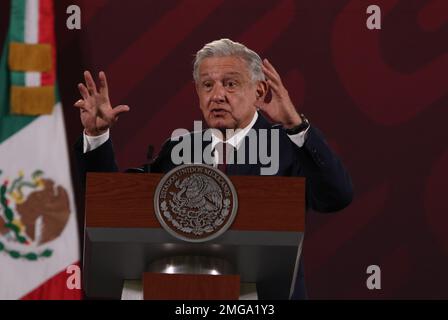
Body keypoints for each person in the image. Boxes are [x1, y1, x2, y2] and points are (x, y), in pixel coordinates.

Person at [74, 39, 353, 299]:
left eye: (230, 84)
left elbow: (336, 196)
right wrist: (97, 138)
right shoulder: (178, 151)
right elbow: (117, 207)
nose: (217, 95)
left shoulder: (290, 145)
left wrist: (295, 125)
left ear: (259, 91)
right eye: (207, 85)